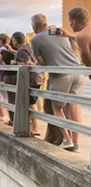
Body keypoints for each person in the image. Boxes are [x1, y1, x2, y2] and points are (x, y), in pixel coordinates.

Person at [31, 13, 83, 152]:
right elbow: (76, 46)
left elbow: (42, 62)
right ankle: (76, 144)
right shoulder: (61, 31)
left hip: (60, 75)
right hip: (77, 71)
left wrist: (56, 60)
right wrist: (67, 57)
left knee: (57, 108)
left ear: (34, 26)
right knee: (75, 108)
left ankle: (67, 140)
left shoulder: (35, 39)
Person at [12, 31, 43, 135]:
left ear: (15, 41)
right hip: (37, 77)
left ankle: (35, 127)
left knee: (31, 103)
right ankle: (30, 125)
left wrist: (15, 62)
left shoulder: (21, 51)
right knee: (30, 102)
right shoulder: (29, 47)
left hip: (30, 79)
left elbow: (26, 63)